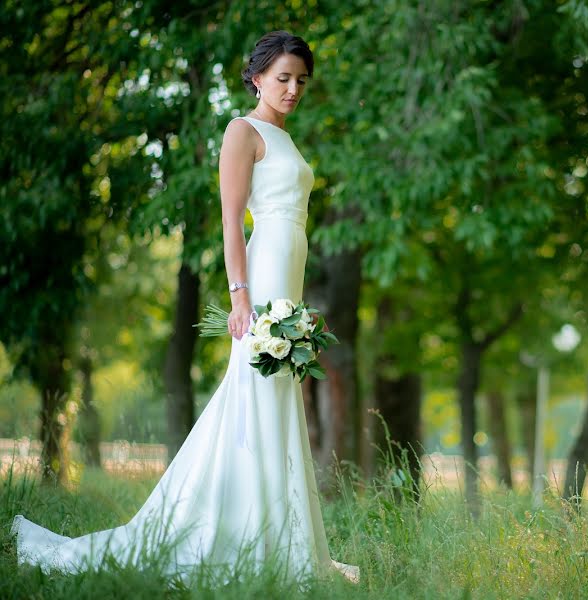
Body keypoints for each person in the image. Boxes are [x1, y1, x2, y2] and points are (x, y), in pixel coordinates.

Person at [10, 30, 360, 586]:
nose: (293, 89)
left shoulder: (286, 136)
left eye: (300, 80)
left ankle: (280, 539)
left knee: (275, 397)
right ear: (256, 77)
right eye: (282, 78)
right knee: (255, 391)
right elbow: (230, 219)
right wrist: (240, 293)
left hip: (288, 272)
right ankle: (240, 536)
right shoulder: (241, 131)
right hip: (263, 271)